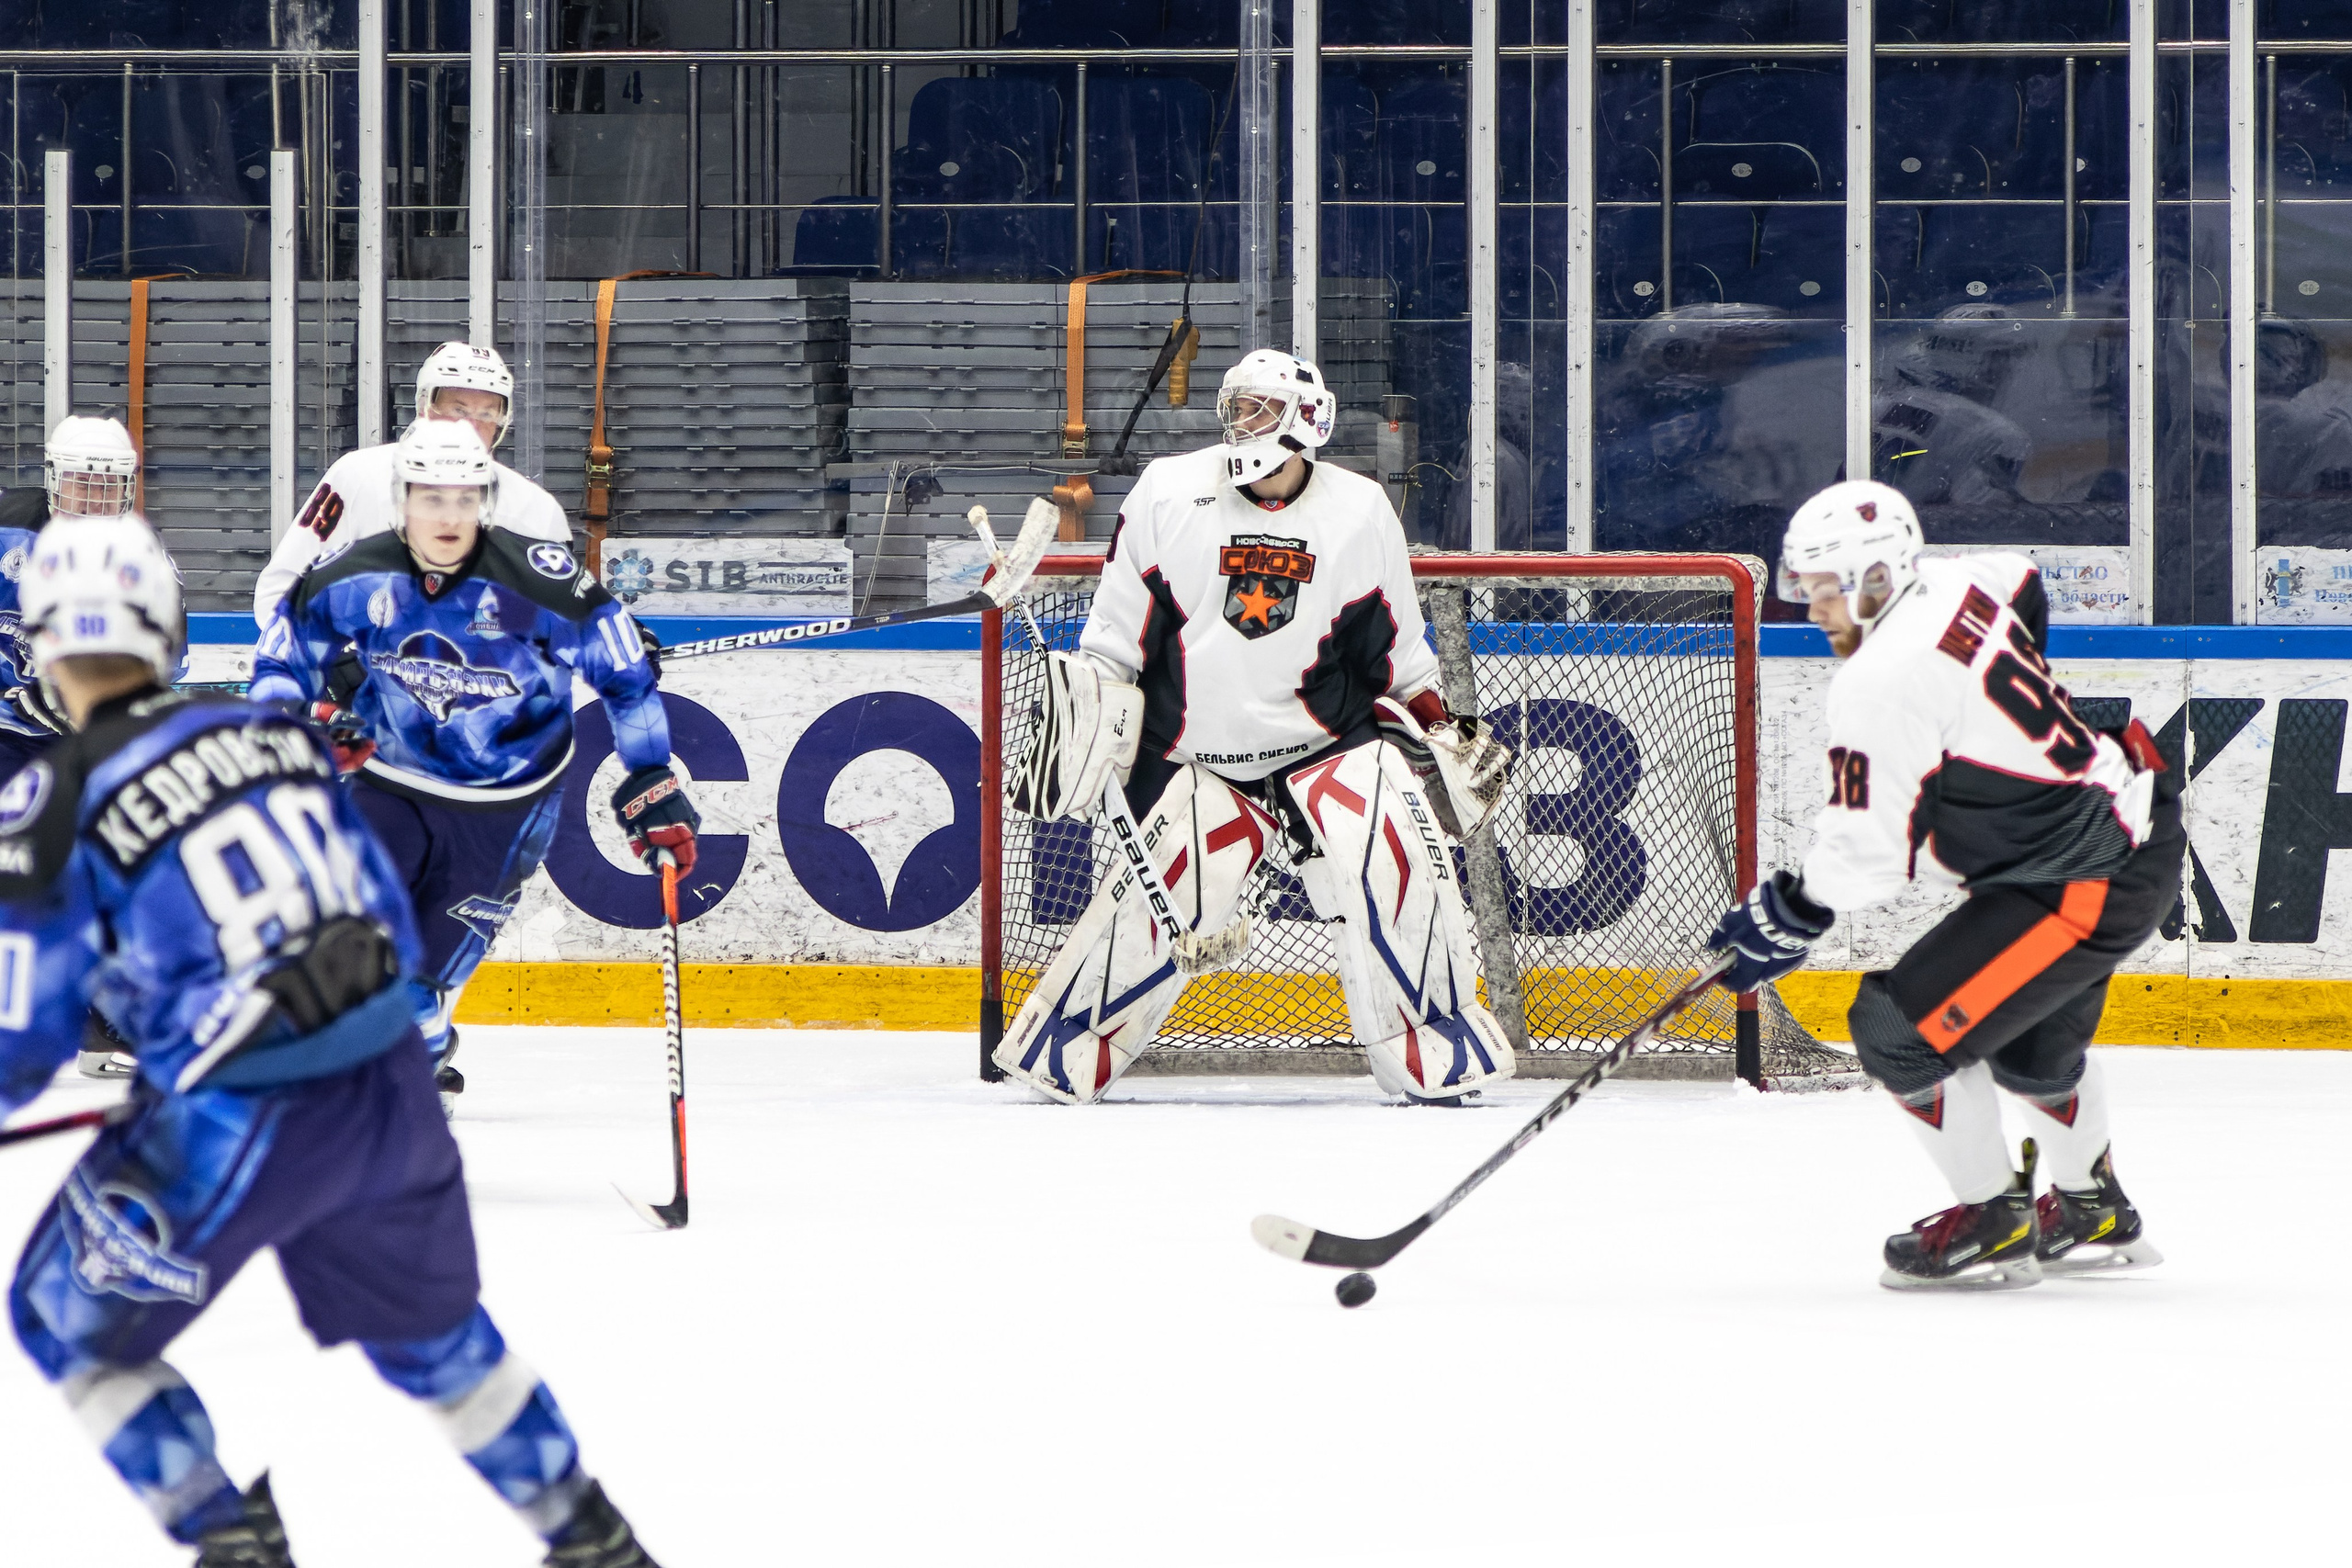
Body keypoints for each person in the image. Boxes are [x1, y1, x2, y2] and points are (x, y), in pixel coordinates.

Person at [0, 514, 662, 1567]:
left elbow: (20, 1045)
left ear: (41, 643)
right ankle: (595, 1543)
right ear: (168, 633)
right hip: (391, 1086)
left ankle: (233, 1546)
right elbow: (382, 923)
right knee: (434, 1342)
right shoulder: (269, 739)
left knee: (60, 1320)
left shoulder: (49, 796)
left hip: (245, 1111)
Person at [993, 349, 1515, 1105]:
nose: (1241, 423)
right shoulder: (1168, 494)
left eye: (1260, 409)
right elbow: (1114, 641)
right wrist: (1086, 708)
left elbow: (1398, 655)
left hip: (1326, 746)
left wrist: (1439, 723)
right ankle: (1066, 1050)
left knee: (1399, 861)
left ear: (1308, 421)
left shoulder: (1361, 510)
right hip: (1196, 758)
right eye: (1236, 406)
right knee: (1164, 889)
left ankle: (1438, 1052)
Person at [1707, 479, 2182, 1291]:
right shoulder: (1956, 583)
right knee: (2033, 1055)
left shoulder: (1881, 679)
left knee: (1894, 1026)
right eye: (1808, 590)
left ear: (1879, 580)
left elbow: (1866, 855)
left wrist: (1790, 911)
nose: (1814, 609)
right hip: (2129, 829)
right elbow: (2022, 580)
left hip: (2080, 877)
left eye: (1826, 591)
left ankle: (1995, 1218)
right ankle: (2092, 1207)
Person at [250, 421, 697, 1111]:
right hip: (389, 784)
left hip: (507, 810)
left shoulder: (534, 581)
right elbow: (284, 658)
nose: (449, 516)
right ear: (402, 500)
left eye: (465, 498)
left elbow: (626, 678)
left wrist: (649, 780)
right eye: (432, 498)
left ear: (485, 500)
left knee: (416, 988)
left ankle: (419, 1050)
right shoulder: (354, 574)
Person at [0, 415, 147, 1080]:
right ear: (55, 481)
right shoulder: (7, 536)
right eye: (81, 486)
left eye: (105, 487)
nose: (91, 502)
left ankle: (105, 1019)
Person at [252, 342, 573, 626]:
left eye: (487, 415)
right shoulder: (357, 475)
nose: (472, 427)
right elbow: (282, 589)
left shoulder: (535, 510)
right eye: (458, 410)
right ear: (424, 406)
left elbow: (562, 623)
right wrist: (333, 666)